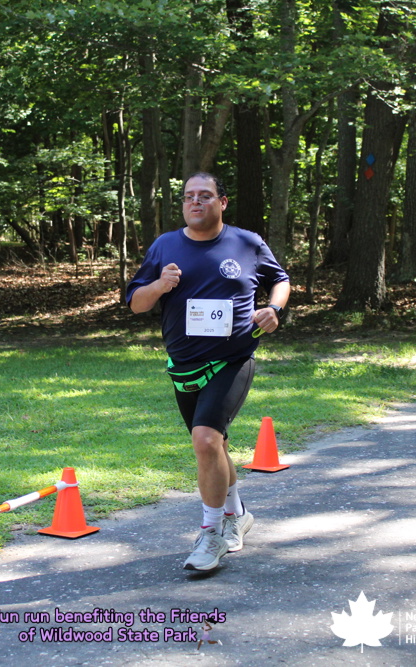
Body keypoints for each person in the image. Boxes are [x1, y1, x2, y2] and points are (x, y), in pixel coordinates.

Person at [127, 172, 291, 571]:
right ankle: (238, 515)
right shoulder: (165, 246)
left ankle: (211, 533)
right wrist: (160, 286)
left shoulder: (246, 242)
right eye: (188, 197)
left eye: (205, 195)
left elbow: (280, 279)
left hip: (232, 359)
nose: (195, 202)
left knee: (205, 439)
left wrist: (273, 309)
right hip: (184, 366)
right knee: (214, 446)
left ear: (222, 202)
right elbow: (136, 303)